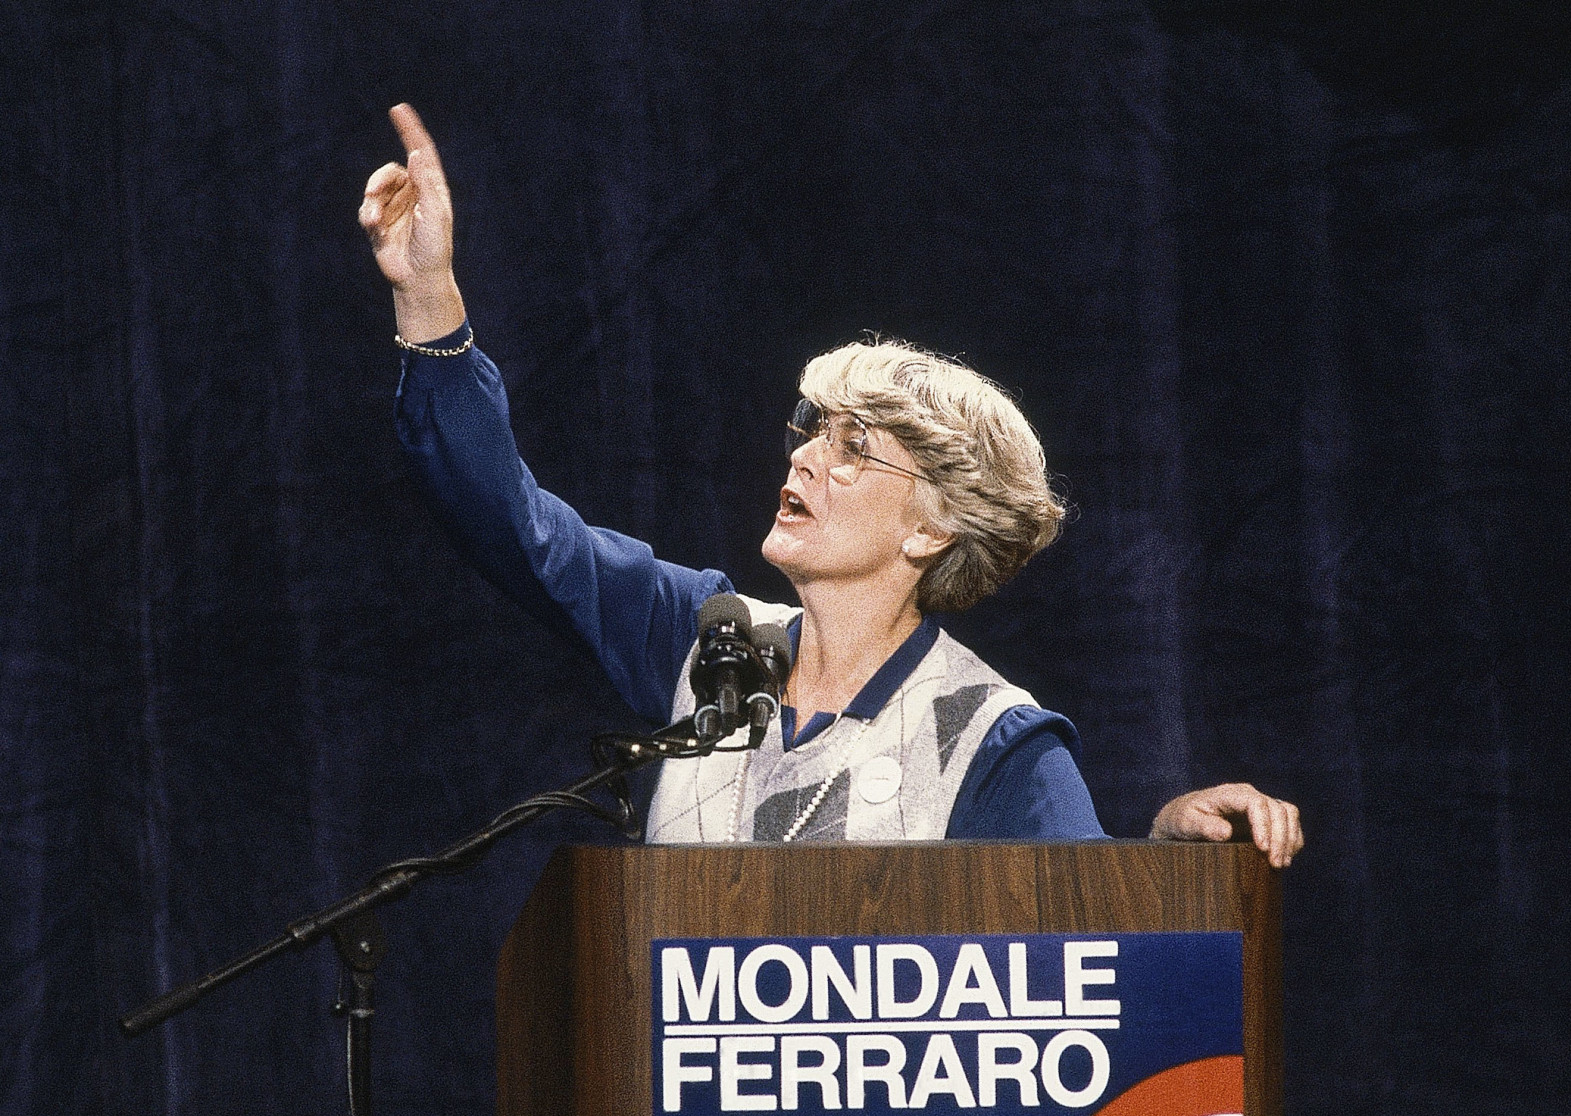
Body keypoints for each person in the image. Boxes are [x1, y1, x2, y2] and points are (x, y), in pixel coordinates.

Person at [359, 104, 1303, 866]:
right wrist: (429, 295)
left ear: (933, 527)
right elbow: (515, 528)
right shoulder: (711, 645)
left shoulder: (994, 741)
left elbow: (1073, 952)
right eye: (812, 430)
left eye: (856, 447)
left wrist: (1164, 858)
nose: (806, 457)